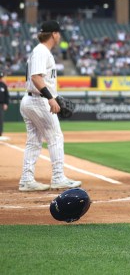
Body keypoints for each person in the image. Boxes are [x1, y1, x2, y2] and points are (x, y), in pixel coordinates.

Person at [18, 20, 81, 192]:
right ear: (54, 34)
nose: (60, 35)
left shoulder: (42, 52)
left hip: (32, 100)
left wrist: (54, 96)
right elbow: (36, 78)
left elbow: (42, 79)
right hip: (38, 100)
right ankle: (58, 177)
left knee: (34, 142)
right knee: (55, 137)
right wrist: (50, 98)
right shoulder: (41, 51)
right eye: (58, 33)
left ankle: (26, 180)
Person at [0, 71, 9, 141]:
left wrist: (6, 103)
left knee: (0, 119)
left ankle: (0, 133)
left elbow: (7, 95)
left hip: (1, 104)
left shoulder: (3, 85)